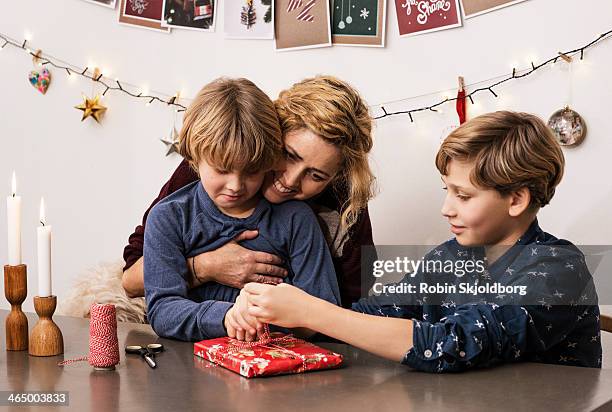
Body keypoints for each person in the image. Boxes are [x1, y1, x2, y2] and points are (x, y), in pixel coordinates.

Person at [241, 111, 602, 372]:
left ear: (516, 200)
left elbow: (449, 346)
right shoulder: (450, 256)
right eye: (447, 191)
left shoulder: (558, 269)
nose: (446, 209)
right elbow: (380, 312)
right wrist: (292, 315)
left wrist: (313, 312)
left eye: (463, 196)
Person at [123, 75, 377, 308]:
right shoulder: (215, 161)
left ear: (336, 176)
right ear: (271, 136)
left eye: (316, 175)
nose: (290, 180)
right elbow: (131, 281)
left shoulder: (346, 207)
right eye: (288, 155)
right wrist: (206, 267)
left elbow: (354, 306)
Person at [144, 77, 340, 341]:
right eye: (222, 170)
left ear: (269, 161)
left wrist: (262, 318)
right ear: (193, 158)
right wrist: (227, 317)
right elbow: (162, 310)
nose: (236, 186)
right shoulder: (169, 217)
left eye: (251, 171)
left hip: (280, 362)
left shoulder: (296, 219)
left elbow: (325, 310)